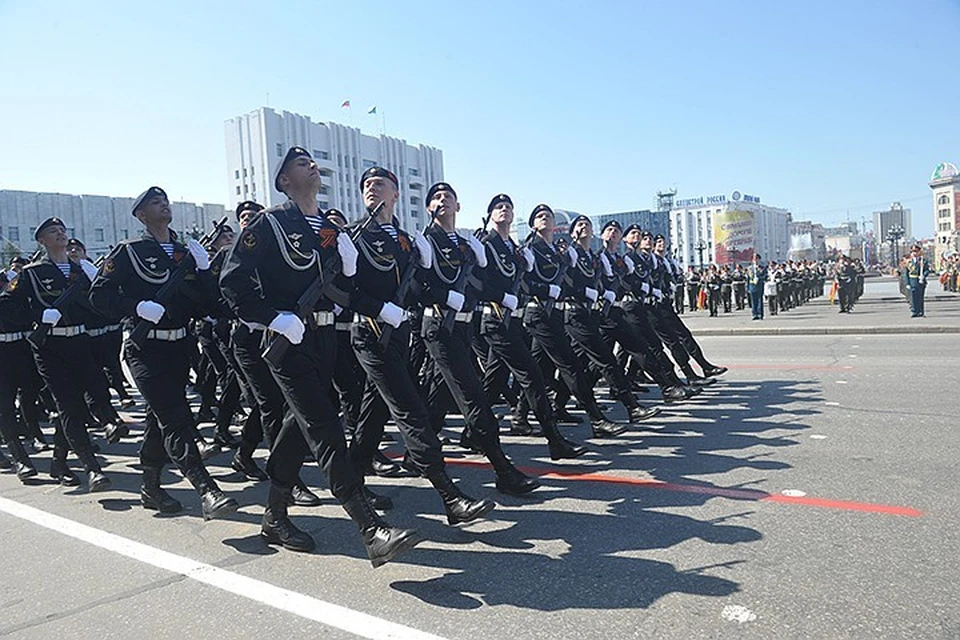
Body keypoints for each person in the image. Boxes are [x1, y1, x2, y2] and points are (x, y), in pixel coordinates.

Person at [221, 147, 422, 565]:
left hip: (327, 340)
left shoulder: (328, 229)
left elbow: (342, 290)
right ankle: (371, 530)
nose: (311, 165)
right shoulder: (270, 223)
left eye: (312, 161)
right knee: (326, 429)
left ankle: (274, 516)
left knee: (298, 428)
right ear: (284, 182)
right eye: (299, 163)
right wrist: (272, 318)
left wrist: (348, 268)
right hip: (288, 340)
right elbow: (233, 282)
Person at [344, 166, 497, 520]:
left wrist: (422, 271)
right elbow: (342, 290)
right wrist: (379, 307)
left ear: (395, 195)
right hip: (369, 330)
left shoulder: (403, 239)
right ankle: (449, 495)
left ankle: (354, 478)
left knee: (374, 410)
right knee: (409, 409)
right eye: (367, 184)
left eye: (379, 184)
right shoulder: (354, 236)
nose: (371, 188)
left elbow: (414, 291)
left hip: (397, 333)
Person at [90, 188, 238, 519]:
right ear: (141, 215)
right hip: (145, 349)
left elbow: (208, 304)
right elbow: (98, 296)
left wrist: (204, 272)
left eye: (165, 201)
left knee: (159, 422)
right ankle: (207, 489)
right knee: (175, 418)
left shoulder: (186, 253)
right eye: (156, 203)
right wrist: (136, 307)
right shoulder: (129, 252)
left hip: (179, 347)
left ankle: (150, 487)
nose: (164, 205)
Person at [416, 182, 540, 494]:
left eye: (449, 197)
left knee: (439, 393)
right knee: (473, 397)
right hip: (439, 326)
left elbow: (482, 284)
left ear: (458, 207)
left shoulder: (467, 243)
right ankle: (502, 469)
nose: (442, 200)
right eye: (436, 198)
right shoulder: (425, 240)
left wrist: (484, 266)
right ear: (429, 208)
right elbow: (417, 289)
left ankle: (413, 454)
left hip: (464, 326)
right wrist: (444, 296)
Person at [6, 218, 112, 491]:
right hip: (50, 347)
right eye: (53, 232)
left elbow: (97, 309)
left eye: (63, 231)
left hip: (79, 342)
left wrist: (97, 284)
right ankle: (92, 467)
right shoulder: (31, 273)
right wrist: (38, 315)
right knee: (69, 406)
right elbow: (10, 307)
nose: (61, 234)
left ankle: (59, 462)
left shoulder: (79, 271)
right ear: (41, 240)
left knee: (90, 396)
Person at [902, 244, 932, 317]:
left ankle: (921, 311)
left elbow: (927, 270)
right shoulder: (909, 262)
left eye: (916, 251)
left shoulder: (923, 261)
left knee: (920, 297)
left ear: (919, 252)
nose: (914, 253)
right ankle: (914, 311)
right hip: (912, 280)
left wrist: (923, 276)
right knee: (913, 297)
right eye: (912, 252)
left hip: (920, 281)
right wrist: (907, 283)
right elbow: (906, 273)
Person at [747, 254, 767, 320]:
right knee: (753, 301)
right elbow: (748, 279)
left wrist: (759, 278)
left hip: (759, 286)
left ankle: (760, 314)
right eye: (754, 259)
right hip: (752, 286)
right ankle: (754, 314)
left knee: (759, 300)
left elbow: (765, 276)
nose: (755, 260)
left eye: (756, 258)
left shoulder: (762, 268)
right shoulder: (750, 268)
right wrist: (748, 288)